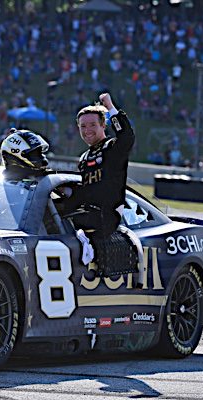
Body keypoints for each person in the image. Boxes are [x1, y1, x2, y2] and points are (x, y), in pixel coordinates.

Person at [69, 93, 143, 277]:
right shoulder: (84, 158)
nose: (87, 130)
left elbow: (127, 136)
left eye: (93, 125)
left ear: (104, 125)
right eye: (83, 126)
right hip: (87, 214)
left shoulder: (112, 149)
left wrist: (110, 106)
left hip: (106, 217)